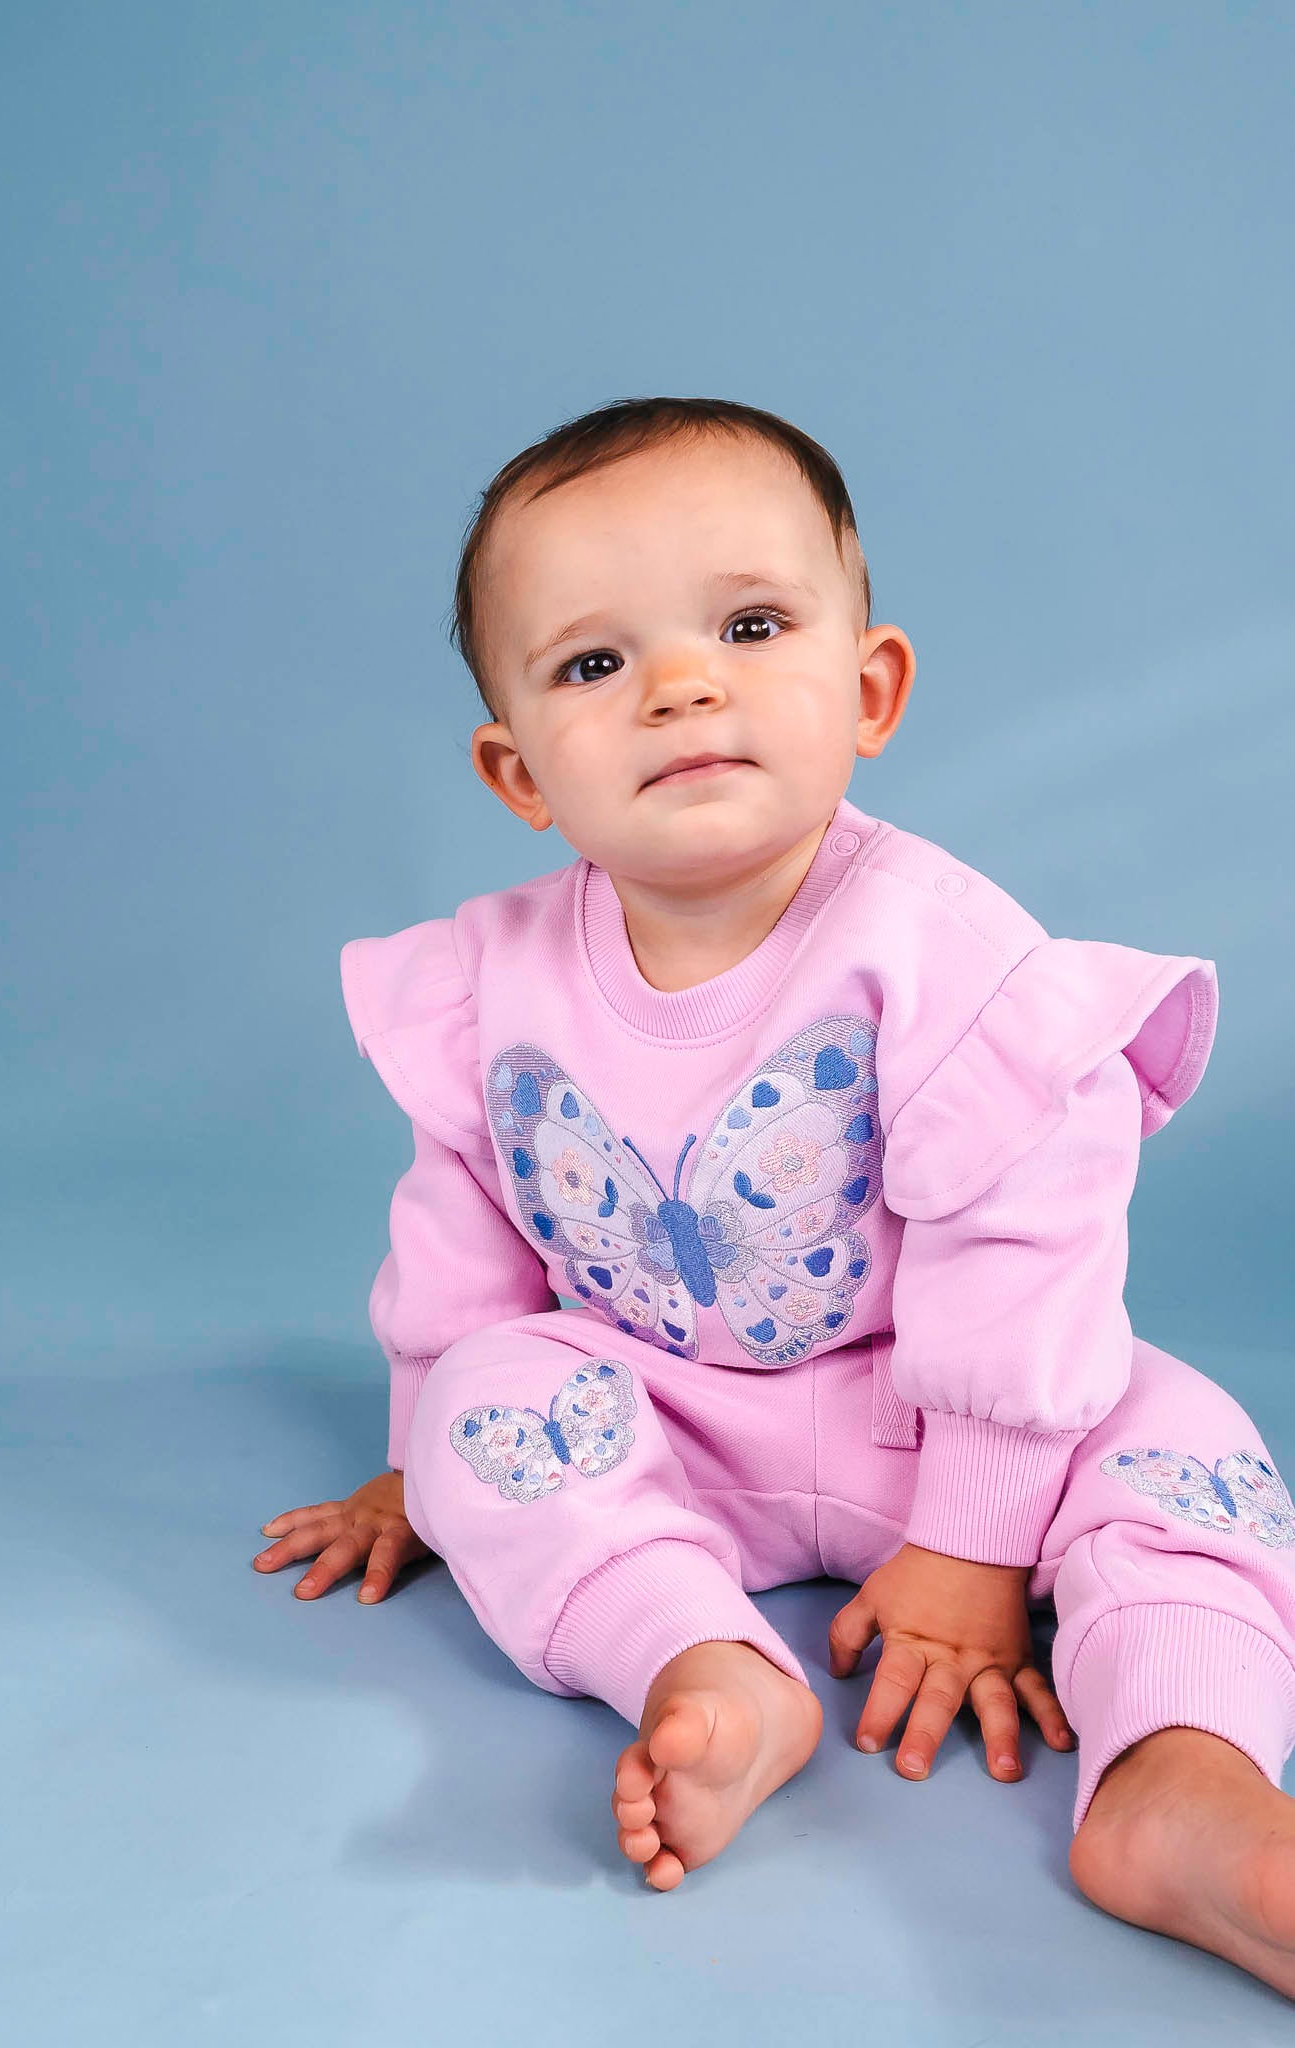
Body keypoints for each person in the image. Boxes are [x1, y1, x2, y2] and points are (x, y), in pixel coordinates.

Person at [252, 397, 1295, 1993]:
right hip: (665, 1412)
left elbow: (1026, 1252)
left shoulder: (944, 956)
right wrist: (415, 1465)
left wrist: (970, 1546)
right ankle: (707, 1669)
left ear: (867, 688)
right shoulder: (486, 979)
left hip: (940, 1426)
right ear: (517, 770)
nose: (680, 686)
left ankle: (1180, 1781)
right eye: (593, 663)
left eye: (747, 627)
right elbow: (457, 1234)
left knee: (1180, 1449)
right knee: (486, 1402)